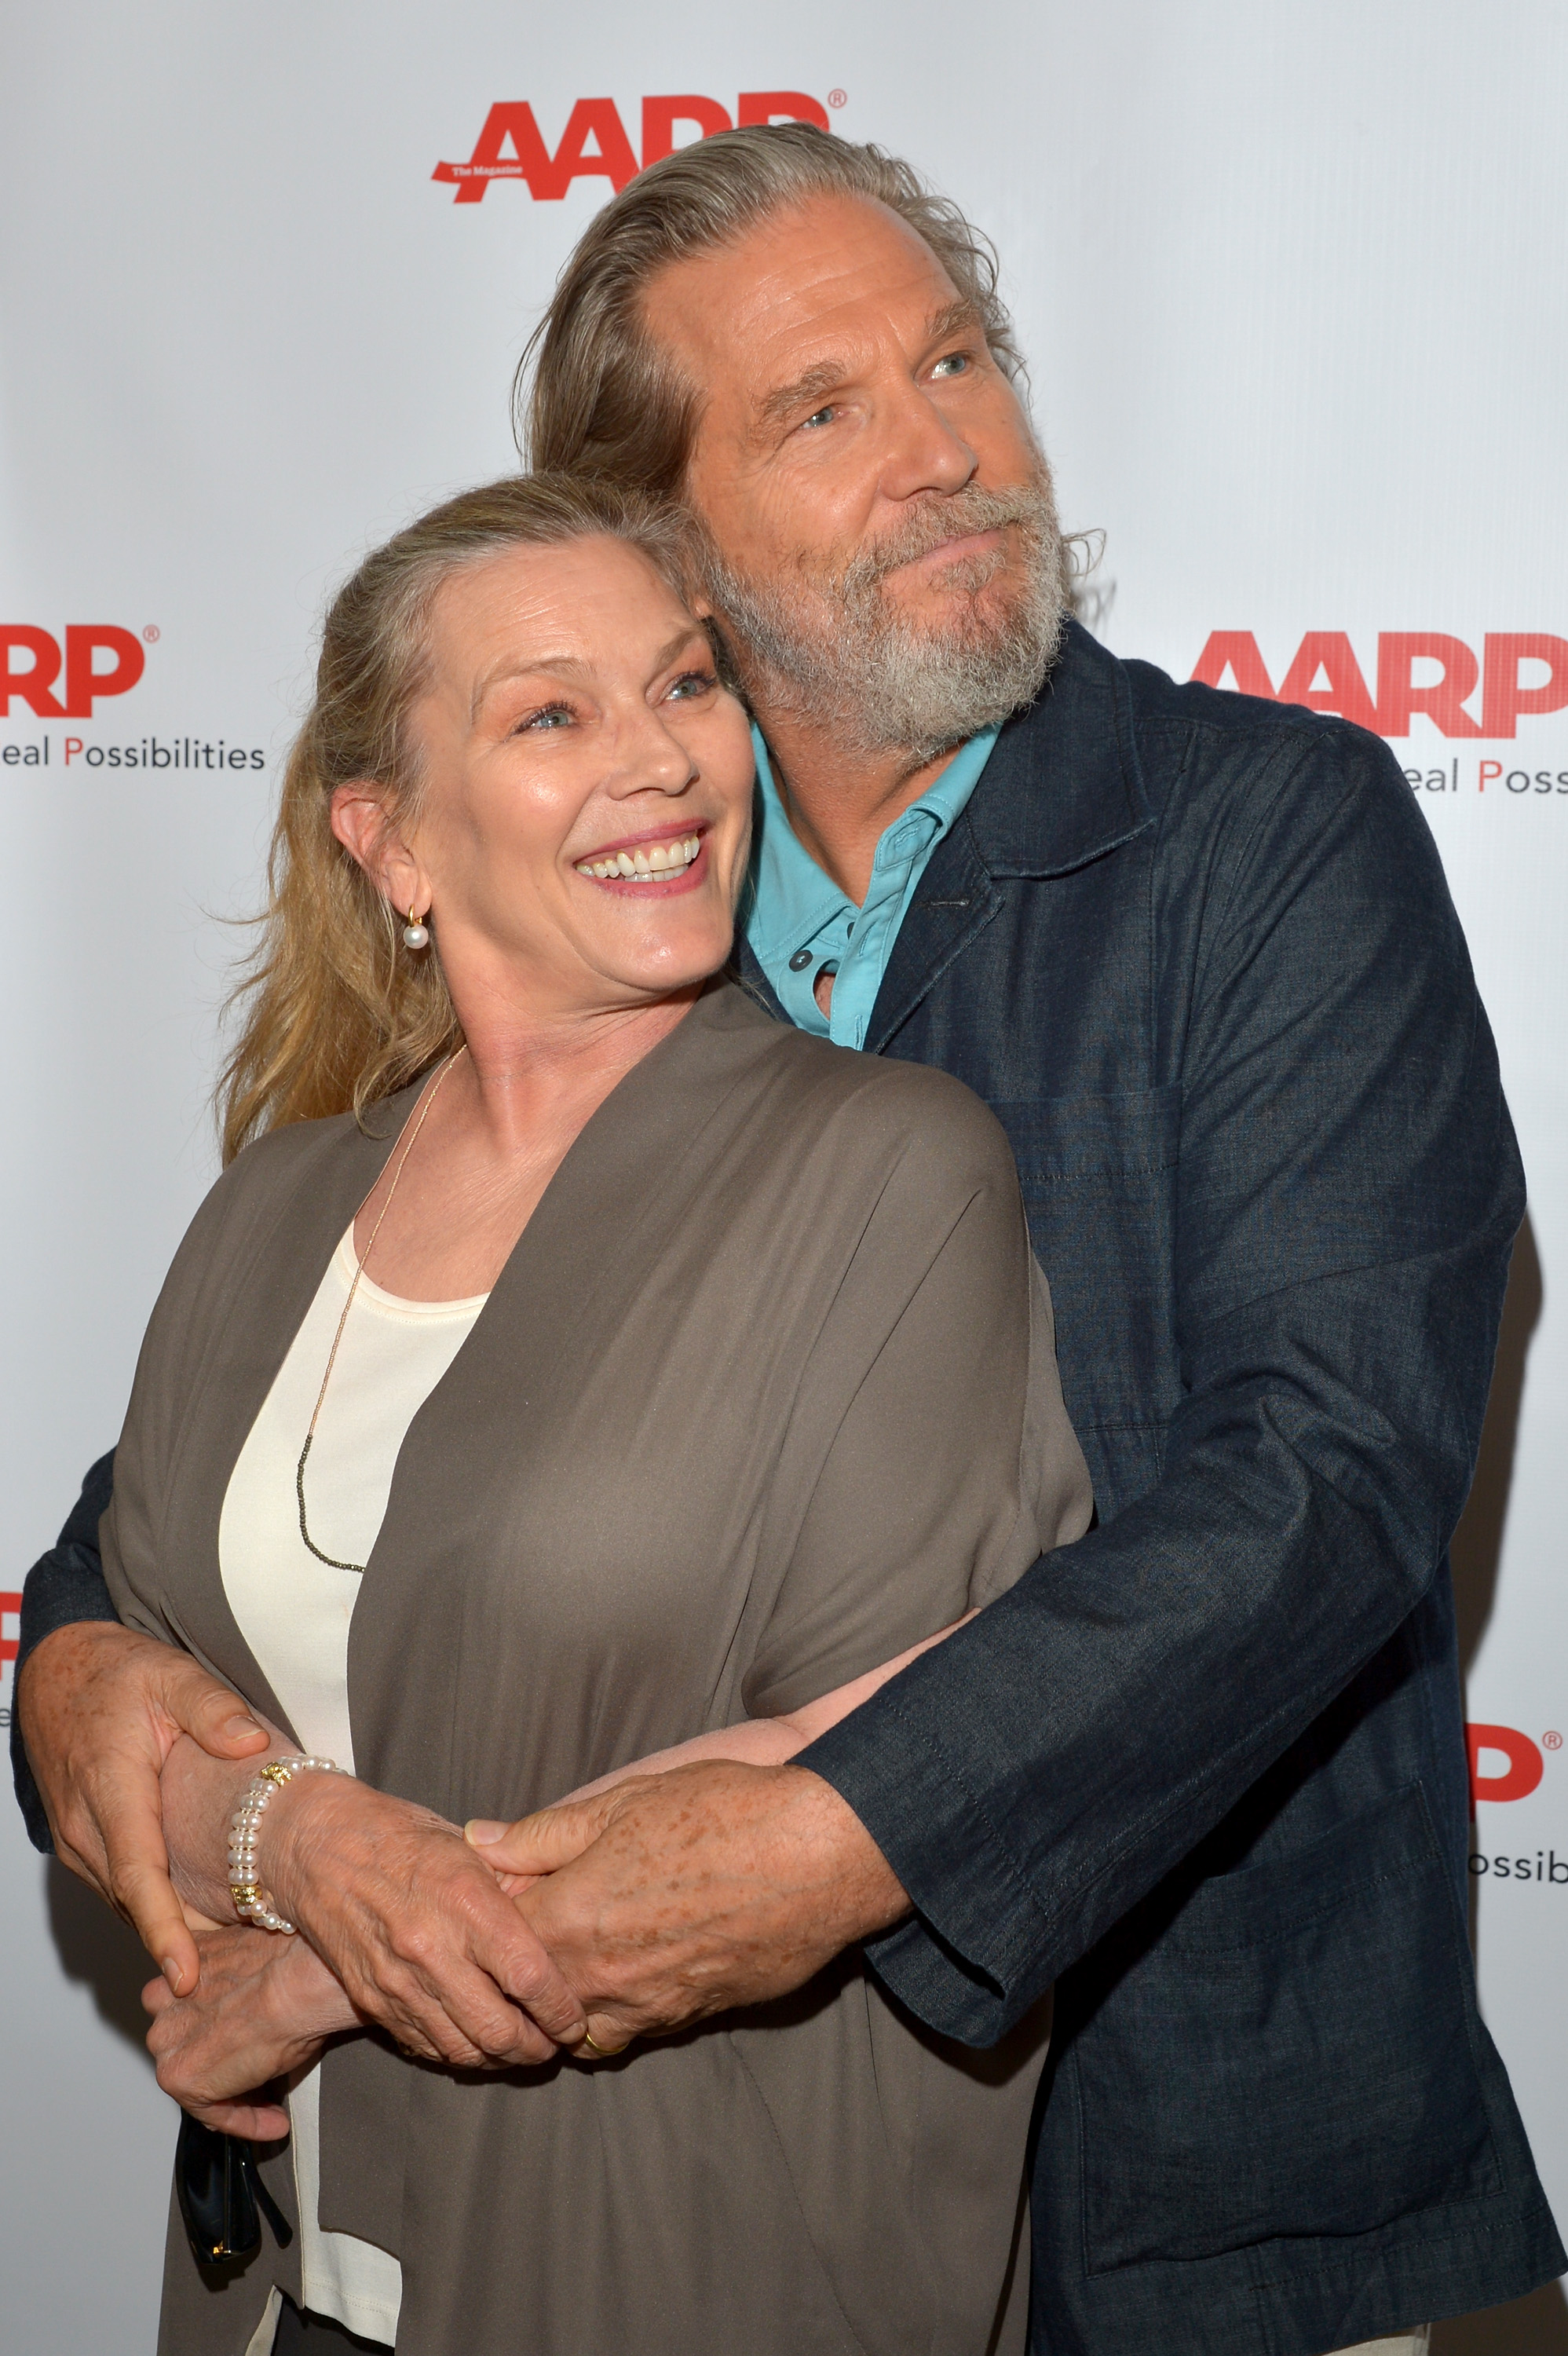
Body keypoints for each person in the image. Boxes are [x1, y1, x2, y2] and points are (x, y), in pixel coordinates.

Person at [14, 125, 1563, 2356]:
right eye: (821, 409)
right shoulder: (618, 922)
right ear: (665, 545)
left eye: (958, 361)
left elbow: (1322, 1475)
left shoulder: (1261, 833)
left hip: (1194, 2182)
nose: (945, 448)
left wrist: (836, 1836)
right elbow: (222, 1483)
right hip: (665, 2197)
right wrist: (83, 1684)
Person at [45, 469, 1091, 2355]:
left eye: (686, 686)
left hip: (688, 2241)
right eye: (551, 714)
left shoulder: (882, 1178)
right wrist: (295, 1841)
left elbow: (864, 1776)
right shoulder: (274, 1211)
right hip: (286, 2278)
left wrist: (311, 1967)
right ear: (394, 841)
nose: (664, 760)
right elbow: (134, 1725)